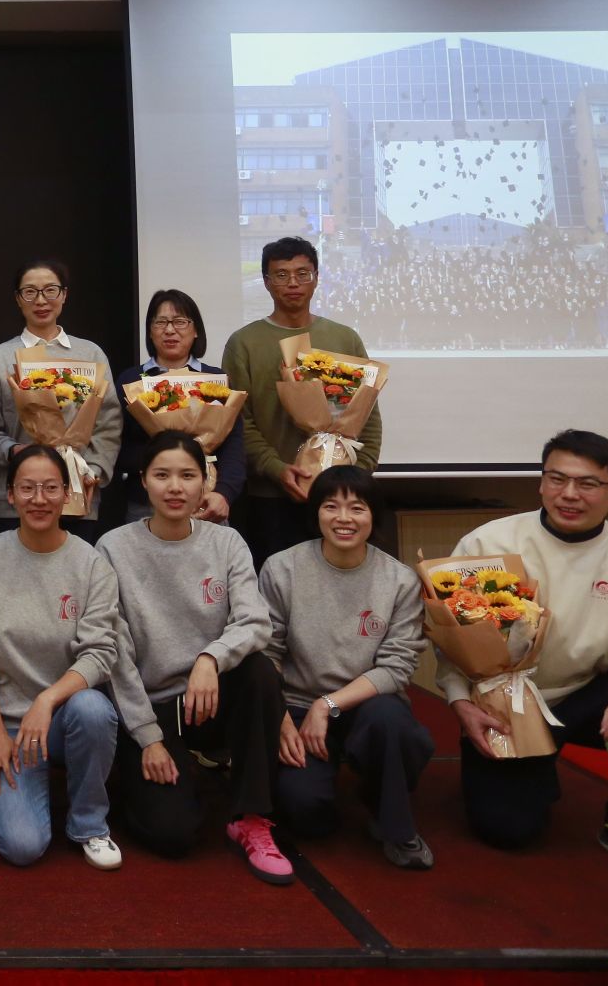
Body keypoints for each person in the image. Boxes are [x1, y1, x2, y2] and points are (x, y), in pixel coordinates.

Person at [437, 429, 608, 853]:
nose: (569, 494)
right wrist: (460, 703)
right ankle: (530, 774)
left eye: (588, 483)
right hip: (506, 706)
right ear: (541, 483)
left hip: (587, 695)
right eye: (557, 479)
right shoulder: (489, 543)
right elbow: (453, 643)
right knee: (507, 830)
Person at [93, 432, 291, 884]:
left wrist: (210, 658)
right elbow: (115, 654)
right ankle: (154, 775)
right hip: (154, 706)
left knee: (259, 671)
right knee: (173, 834)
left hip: (211, 695)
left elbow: (255, 622)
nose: (175, 487)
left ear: (206, 482)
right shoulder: (113, 548)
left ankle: (251, 817)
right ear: (143, 480)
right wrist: (148, 738)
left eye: (187, 476)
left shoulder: (227, 543)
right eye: (162, 475)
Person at [261, 465, 434, 869]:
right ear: (315, 513)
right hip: (296, 705)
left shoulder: (400, 580)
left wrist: (327, 705)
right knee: (306, 811)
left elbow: (396, 668)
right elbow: (266, 653)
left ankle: (394, 825)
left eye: (357, 508)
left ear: (374, 515)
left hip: (367, 705)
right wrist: (281, 718)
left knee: (394, 724)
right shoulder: (282, 568)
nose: (344, 518)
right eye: (331, 506)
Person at [0, 445, 122, 869]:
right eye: (27, 488)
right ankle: (27, 785)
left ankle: (89, 822)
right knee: (22, 847)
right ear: (10, 494)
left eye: (50, 488)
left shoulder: (91, 563)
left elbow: (100, 653)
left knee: (94, 709)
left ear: (67, 494)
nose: (39, 499)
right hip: (10, 725)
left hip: (66, 717)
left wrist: (47, 701)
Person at [222, 237, 382, 569]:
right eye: (281, 275)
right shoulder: (244, 343)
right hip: (270, 497)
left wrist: (356, 477)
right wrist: (277, 469)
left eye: (302, 273)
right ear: (266, 282)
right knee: (274, 587)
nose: (293, 283)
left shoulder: (344, 337)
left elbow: (368, 413)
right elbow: (238, 421)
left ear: (317, 277)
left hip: (339, 500)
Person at [0, 258, 121, 544]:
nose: (41, 300)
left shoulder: (90, 354)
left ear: (64, 295)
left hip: (79, 493)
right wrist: (16, 451)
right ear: (18, 299)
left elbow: (109, 425)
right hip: (18, 501)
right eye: (30, 292)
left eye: (50, 290)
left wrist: (93, 472)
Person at [112, 289, 248, 525]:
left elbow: (234, 445)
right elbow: (117, 445)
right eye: (160, 322)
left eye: (180, 321)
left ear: (196, 330)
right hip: (146, 503)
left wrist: (224, 493)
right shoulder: (131, 380)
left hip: (207, 499)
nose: (169, 330)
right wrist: (166, 455)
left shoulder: (215, 379)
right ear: (150, 331)